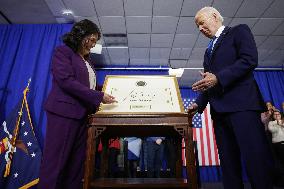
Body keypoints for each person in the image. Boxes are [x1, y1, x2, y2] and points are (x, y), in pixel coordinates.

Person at [187, 7, 274, 189]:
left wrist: (219, 77)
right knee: (228, 165)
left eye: (201, 23)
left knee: (255, 160)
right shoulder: (207, 51)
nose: (200, 29)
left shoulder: (239, 31)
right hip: (219, 113)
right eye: (198, 27)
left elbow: (249, 60)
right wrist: (198, 103)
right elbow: (209, 83)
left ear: (214, 16)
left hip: (243, 107)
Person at [38, 19, 117, 189]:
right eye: (92, 39)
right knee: (56, 164)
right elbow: (66, 80)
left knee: (76, 167)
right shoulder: (63, 52)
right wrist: (98, 95)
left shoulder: (88, 62)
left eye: (95, 41)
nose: (93, 44)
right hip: (64, 114)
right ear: (81, 35)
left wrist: (108, 89)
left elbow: (87, 86)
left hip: (82, 117)